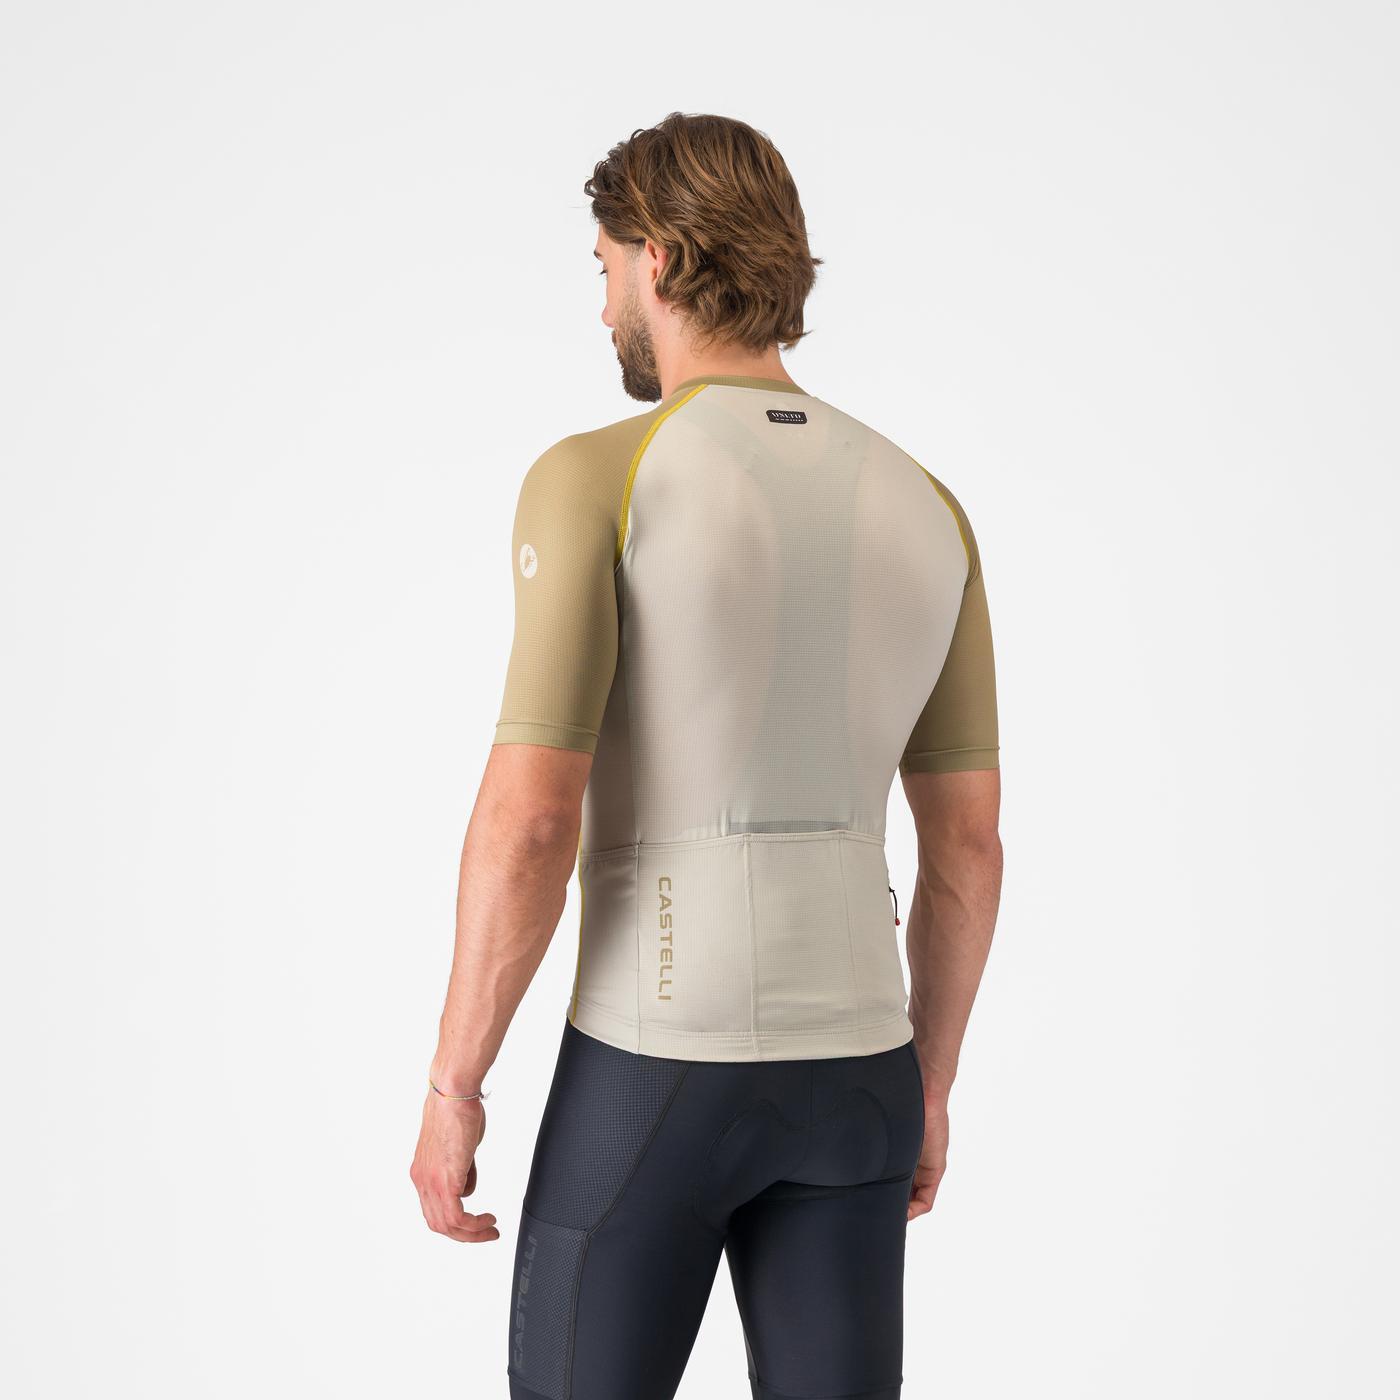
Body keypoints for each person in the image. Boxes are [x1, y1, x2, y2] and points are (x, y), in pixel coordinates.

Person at [410, 111, 1004, 1400]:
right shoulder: (928, 503)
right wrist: (932, 1081)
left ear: (662, 258)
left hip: (657, 1066)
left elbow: (529, 818)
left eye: (605, 267)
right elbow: (967, 846)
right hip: (863, 1074)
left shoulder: (598, 477)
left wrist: (456, 1085)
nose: (602, 306)